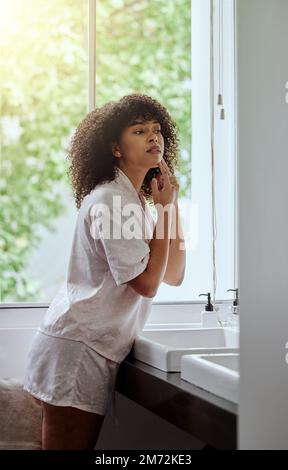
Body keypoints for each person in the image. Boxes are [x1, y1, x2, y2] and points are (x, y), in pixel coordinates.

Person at [23, 93, 186, 450]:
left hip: (87, 347)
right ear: (115, 148)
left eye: (157, 130)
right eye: (139, 131)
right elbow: (146, 284)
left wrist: (169, 209)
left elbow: (173, 273)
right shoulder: (111, 200)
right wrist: (163, 210)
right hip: (77, 351)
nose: (153, 137)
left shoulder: (134, 202)